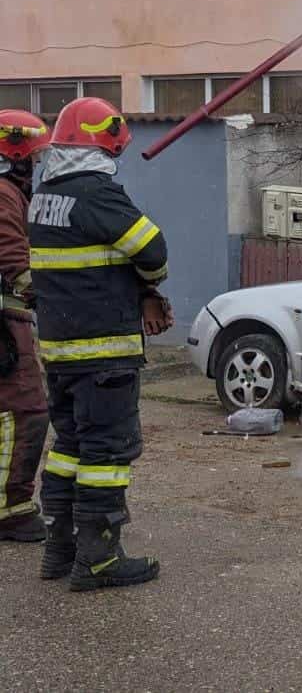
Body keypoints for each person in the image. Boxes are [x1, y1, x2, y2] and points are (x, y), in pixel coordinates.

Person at [29, 98, 173, 590]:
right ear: (104, 144)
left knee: (70, 447)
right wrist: (150, 285)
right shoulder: (97, 194)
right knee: (106, 455)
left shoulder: (44, 194)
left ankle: (61, 549)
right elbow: (152, 249)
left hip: (61, 353)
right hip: (104, 351)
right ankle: (99, 558)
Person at [0, 110, 51, 543]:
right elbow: (13, 258)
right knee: (26, 410)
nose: (37, 165)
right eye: (33, 158)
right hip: (5, 319)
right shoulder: (2, 194)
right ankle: (11, 509)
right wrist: (55, 300)